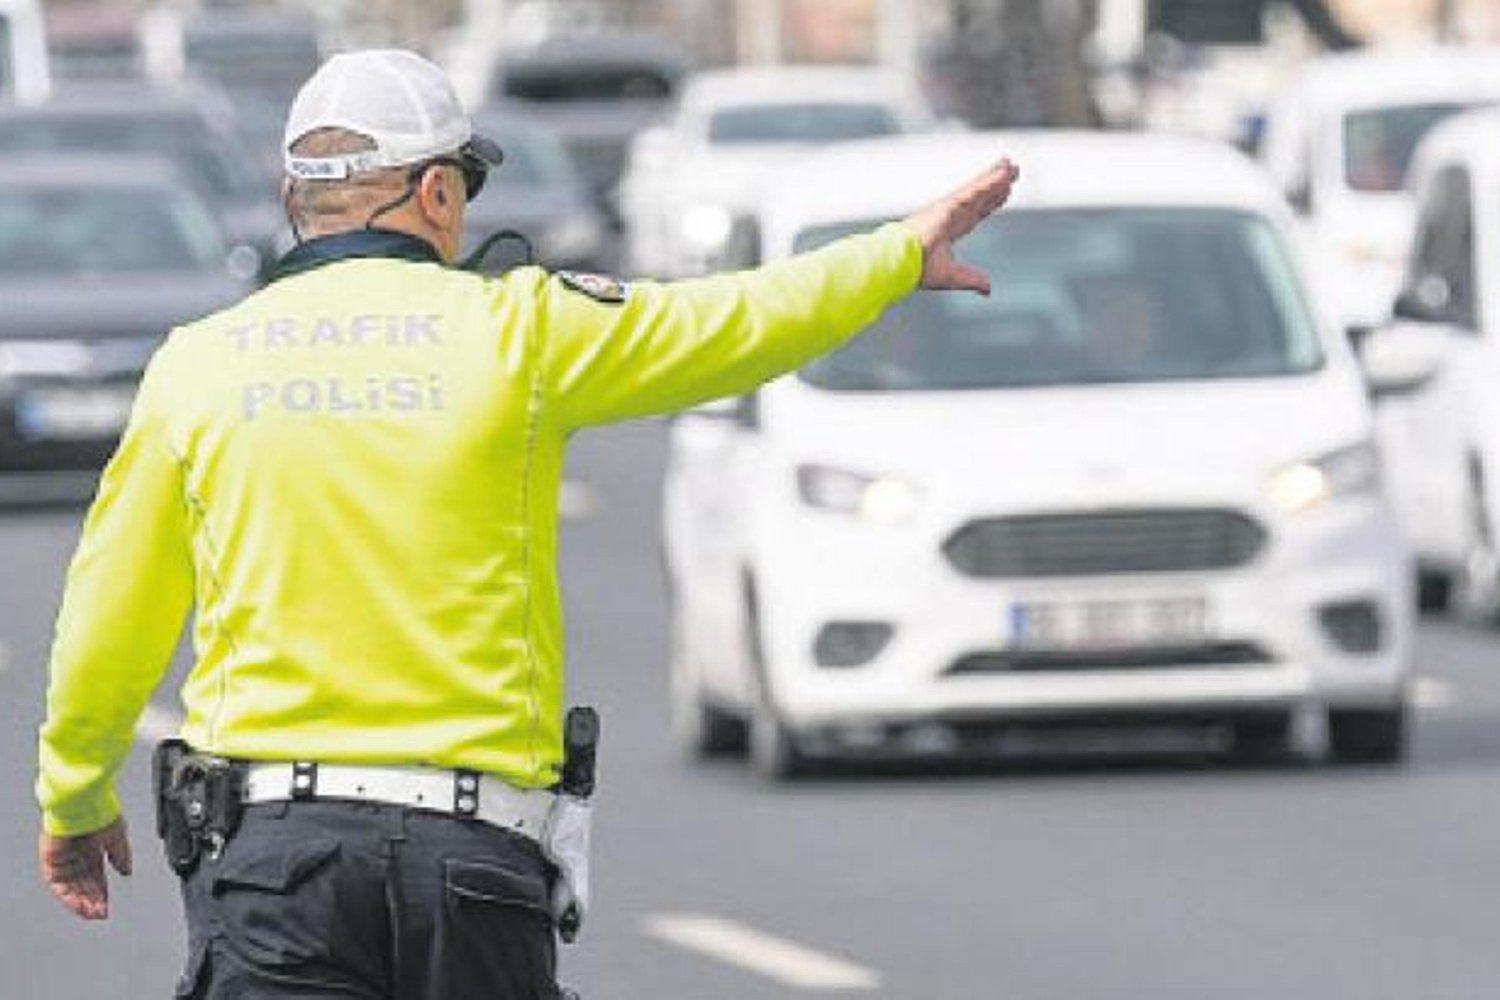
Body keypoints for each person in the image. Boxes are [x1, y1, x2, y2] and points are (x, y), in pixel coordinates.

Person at [34, 49, 1019, 999]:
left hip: (274, 870)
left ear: (299, 202)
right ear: (434, 196)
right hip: (472, 862)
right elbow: (734, 323)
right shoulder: (523, 330)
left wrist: (75, 795)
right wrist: (895, 256)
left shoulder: (199, 365)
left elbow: (109, 611)